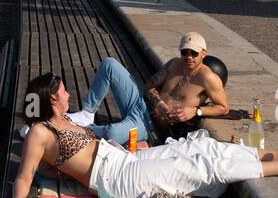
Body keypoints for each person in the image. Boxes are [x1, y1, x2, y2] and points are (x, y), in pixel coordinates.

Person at [0, 71, 278, 198]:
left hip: (122, 161)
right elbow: (26, 175)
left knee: (196, 148)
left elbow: (53, 166)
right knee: (197, 164)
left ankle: (273, 154)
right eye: (64, 91)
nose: (69, 94)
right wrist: (17, 197)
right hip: (117, 179)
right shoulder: (39, 131)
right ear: (52, 98)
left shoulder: (63, 118)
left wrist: (60, 170)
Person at [65, 32, 230, 145]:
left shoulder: (208, 78)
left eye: (193, 53)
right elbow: (149, 87)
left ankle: (77, 129)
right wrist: (159, 103)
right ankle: (87, 112)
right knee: (109, 64)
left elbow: (223, 108)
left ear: (203, 54)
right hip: (141, 106)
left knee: (112, 134)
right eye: (184, 52)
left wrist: (196, 111)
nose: (188, 57)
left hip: (149, 125)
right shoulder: (174, 64)